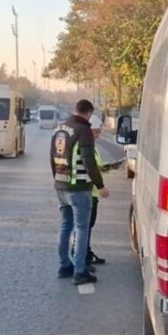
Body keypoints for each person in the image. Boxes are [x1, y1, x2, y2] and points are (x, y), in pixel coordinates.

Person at [50, 100, 109, 285]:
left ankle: (64, 266)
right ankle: (80, 271)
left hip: (61, 185)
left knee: (65, 226)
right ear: (89, 113)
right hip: (79, 187)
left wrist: (57, 179)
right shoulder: (83, 130)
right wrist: (100, 186)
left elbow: (52, 158)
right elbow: (88, 160)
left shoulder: (60, 129)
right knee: (82, 228)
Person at [87, 114, 107, 266]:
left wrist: (107, 168)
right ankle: (83, 256)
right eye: (96, 132)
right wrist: (101, 187)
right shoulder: (86, 146)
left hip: (92, 192)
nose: (98, 135)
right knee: (84, 227)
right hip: (88, 192)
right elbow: (90, 168)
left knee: (87, 226)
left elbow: (96, 167)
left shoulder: (93, 148)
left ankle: (86, 252)